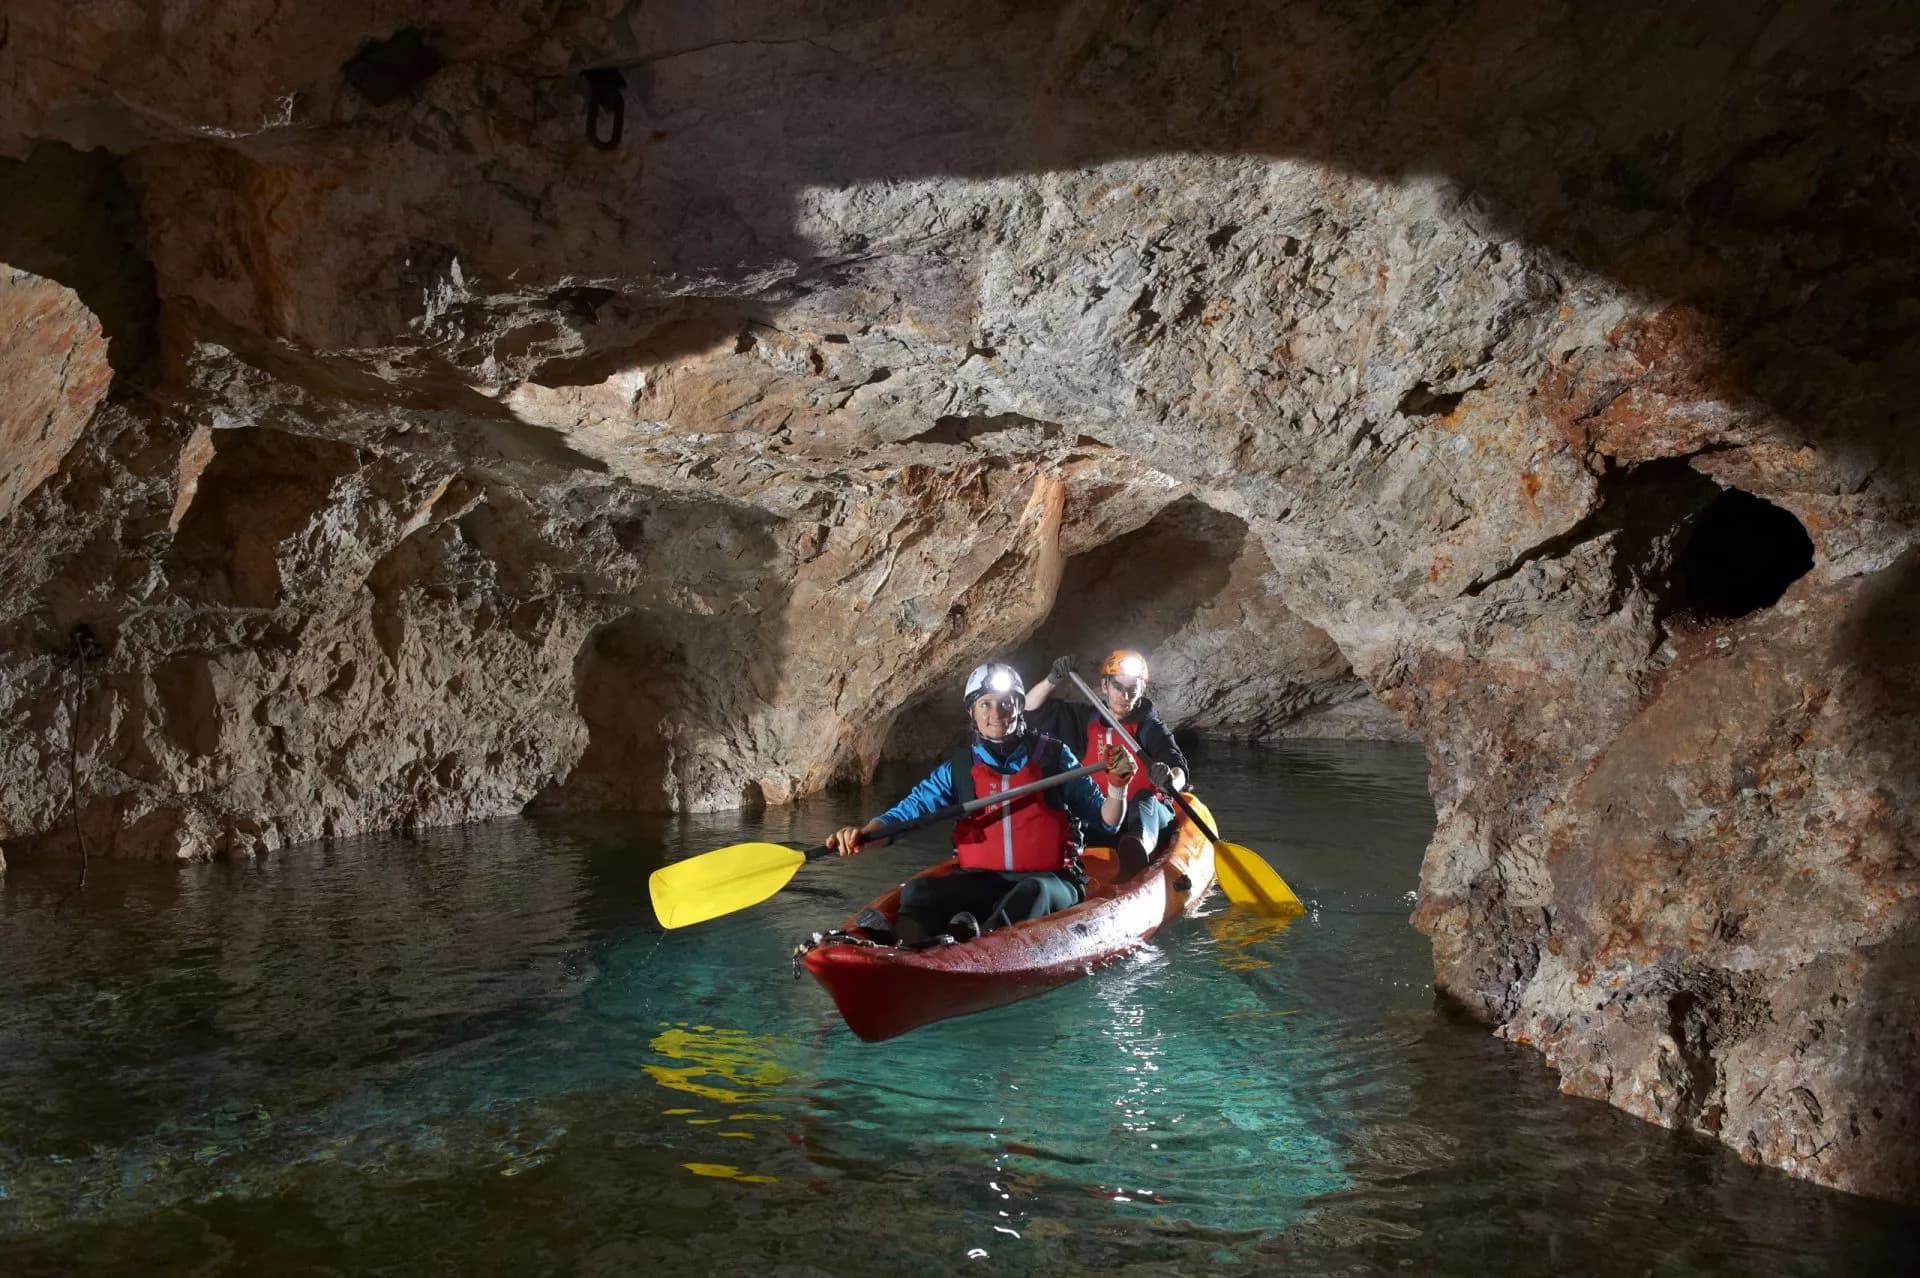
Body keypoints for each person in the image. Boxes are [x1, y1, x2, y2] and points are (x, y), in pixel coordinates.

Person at [827, 661, 1135, 945]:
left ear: (1019, 706)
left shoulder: (1054, 756)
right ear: (972, 713)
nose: (996, 713)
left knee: (1032, 892)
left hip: (1052, 881)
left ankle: (971, 941)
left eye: (1006, 702)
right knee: (919, 891)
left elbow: (1107, 820)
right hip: (981, 881)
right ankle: (905, 942)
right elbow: (908, 813)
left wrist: (1117, 787)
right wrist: (863, 835)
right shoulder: (959, 769)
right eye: (985, 704)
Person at [1024, 648, 1189, 873]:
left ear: (1142, 690)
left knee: (1144, 800)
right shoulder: (1085, 720)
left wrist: (1170, 779)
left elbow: (1178, 767)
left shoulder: (1150, 727)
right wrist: (1053, 679)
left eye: (1133, 689)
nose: (1125, 696)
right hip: (1102, 815)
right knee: (1063, 804)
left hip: (1145, 818)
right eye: (1118, 687)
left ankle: (1138, 850)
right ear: (1104, 686)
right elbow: (1030, 710)